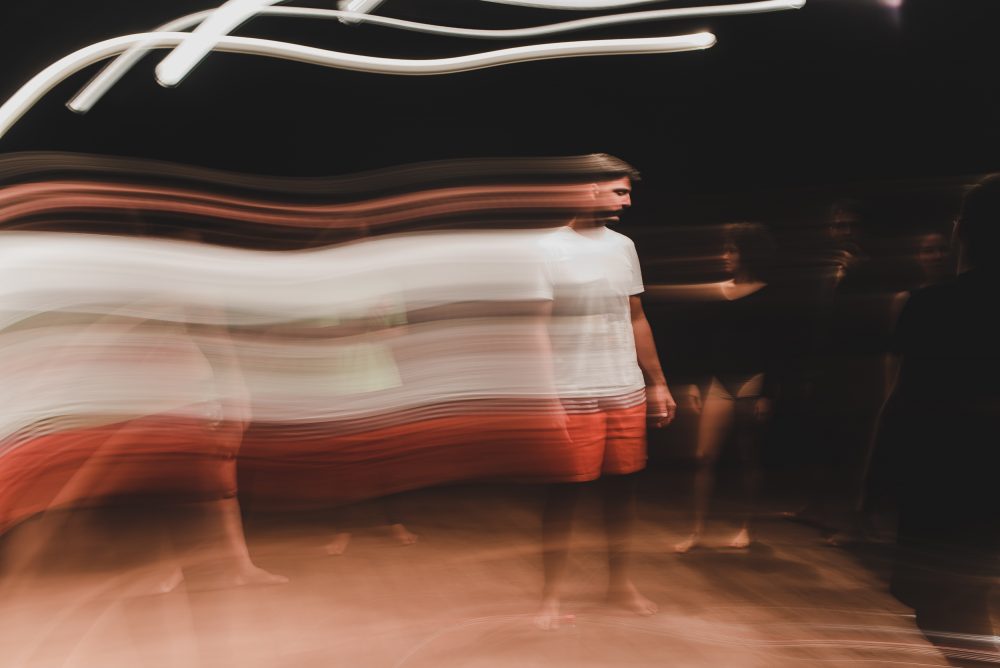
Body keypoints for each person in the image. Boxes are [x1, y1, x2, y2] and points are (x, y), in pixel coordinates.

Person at [535, 154, 676, 629]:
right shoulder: (546, 248)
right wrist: (547, 395)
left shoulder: (623, 246)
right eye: (619, 191)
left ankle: (620, 584)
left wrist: (657, 383)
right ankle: (550, 596)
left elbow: (635, 316)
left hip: (623, 388)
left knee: (623, 492)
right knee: (565, 495)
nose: (628, 201)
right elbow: (536, 328)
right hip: (572, 390)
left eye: (628, 192)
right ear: (587, 188)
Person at [881, 175, 1000, 666]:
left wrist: (879, 481)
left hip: (952, 476)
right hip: (961, 474)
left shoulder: (934, 305)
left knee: (947, 607)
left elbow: (908, 397)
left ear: (961, 230)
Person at [673, 222, 777, 553]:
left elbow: (777, 347)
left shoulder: (768, 293)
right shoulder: (718, 291)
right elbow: (701, 341)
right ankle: (696, 530)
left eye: (732, 250)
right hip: (719, 380)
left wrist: (768, 393)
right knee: (704, 455)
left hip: (752, 379)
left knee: (749, 456)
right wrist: (694, 380)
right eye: (726, 249)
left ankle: (748, 526)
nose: (725, 256)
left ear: (748, 253)